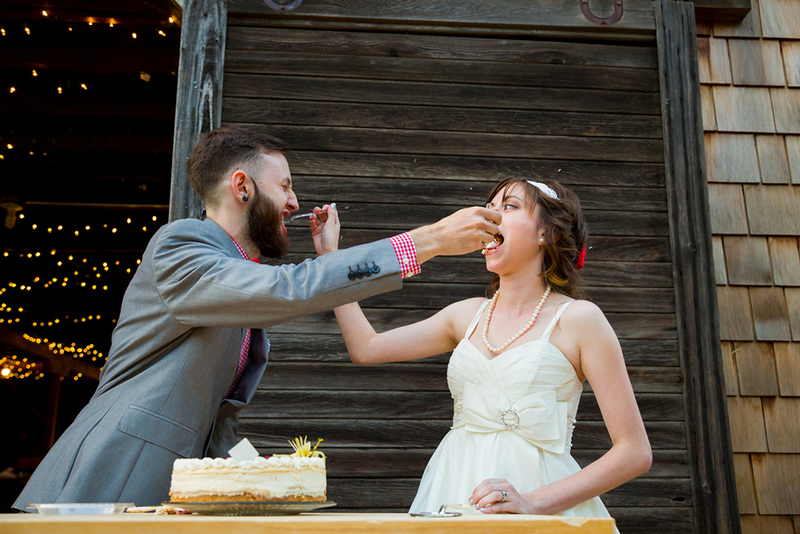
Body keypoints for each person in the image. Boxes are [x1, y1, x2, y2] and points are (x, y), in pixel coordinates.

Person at [12, 126, 502, 510]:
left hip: (176, 487)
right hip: (112, 476)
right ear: (241, 186)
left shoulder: (234, 273)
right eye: (285, 186)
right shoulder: (180, 246)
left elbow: (210, 412)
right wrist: (427, 240)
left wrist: (262, 477)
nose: (294, 201)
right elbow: (287, 288)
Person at [331, 178, 651, 526]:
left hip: (541, 505)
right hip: (453, 491)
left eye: (509, 207)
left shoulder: (579, 320)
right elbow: (366, 347)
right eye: (490, 207)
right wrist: (330, 262)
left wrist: (531, 503)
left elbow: (634, 452)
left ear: (548, 233)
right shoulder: (465, 315)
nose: (491, 215)